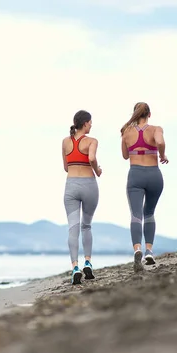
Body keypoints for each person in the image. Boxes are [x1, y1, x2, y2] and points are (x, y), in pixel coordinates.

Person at [120, 102, 169, 272]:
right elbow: (160, 142)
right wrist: (162, 154)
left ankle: (137, 250)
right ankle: (149, 251)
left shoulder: (126, 132)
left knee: (136, 215)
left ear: (134, 114)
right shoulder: (156, 129)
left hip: (136, 175)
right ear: (149, 114)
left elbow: (125, 156)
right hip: (154, 175)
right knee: (149, 213)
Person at [62, 110, 103, 285]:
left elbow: (65, 167)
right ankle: (88, 261)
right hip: (89, 186)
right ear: (85, 123)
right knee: (86, 226)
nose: (91, 125)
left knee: (73, 228)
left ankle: (75, 267)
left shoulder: (65, 142)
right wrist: (97, 169)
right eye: (90, 122)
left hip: (71, 185)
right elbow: (92, 158)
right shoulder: (92, 141)